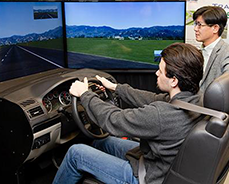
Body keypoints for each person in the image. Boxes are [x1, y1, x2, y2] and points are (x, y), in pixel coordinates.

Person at [52, 43, 204, 184]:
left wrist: (85, 94)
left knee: (75, 153)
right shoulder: (196, 98)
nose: (156, 73)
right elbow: (152, 98)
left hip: (149, 177)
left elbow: (113, 120)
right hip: (162, 164)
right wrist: (116, 88)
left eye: (160, 70)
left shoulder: (161, 115)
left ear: (173, 81)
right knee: (102, 142)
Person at [193, 6, 229, 91]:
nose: (195, 29)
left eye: (200, 25)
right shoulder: (197, 53)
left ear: (215, 28)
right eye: (195, 24)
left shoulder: (226, 53)